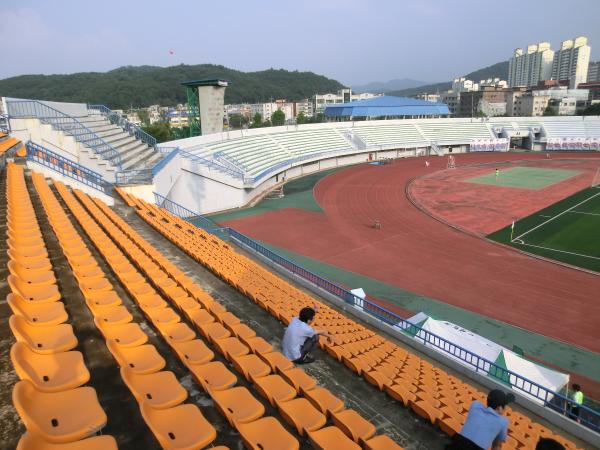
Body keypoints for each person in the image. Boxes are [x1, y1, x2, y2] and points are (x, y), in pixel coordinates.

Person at [446, 389, 514, 450]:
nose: (506, 408)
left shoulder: (475, 405)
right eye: (505, 405)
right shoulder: (503, 421)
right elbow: (497, 445)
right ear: (499, 408)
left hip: (457, 443)